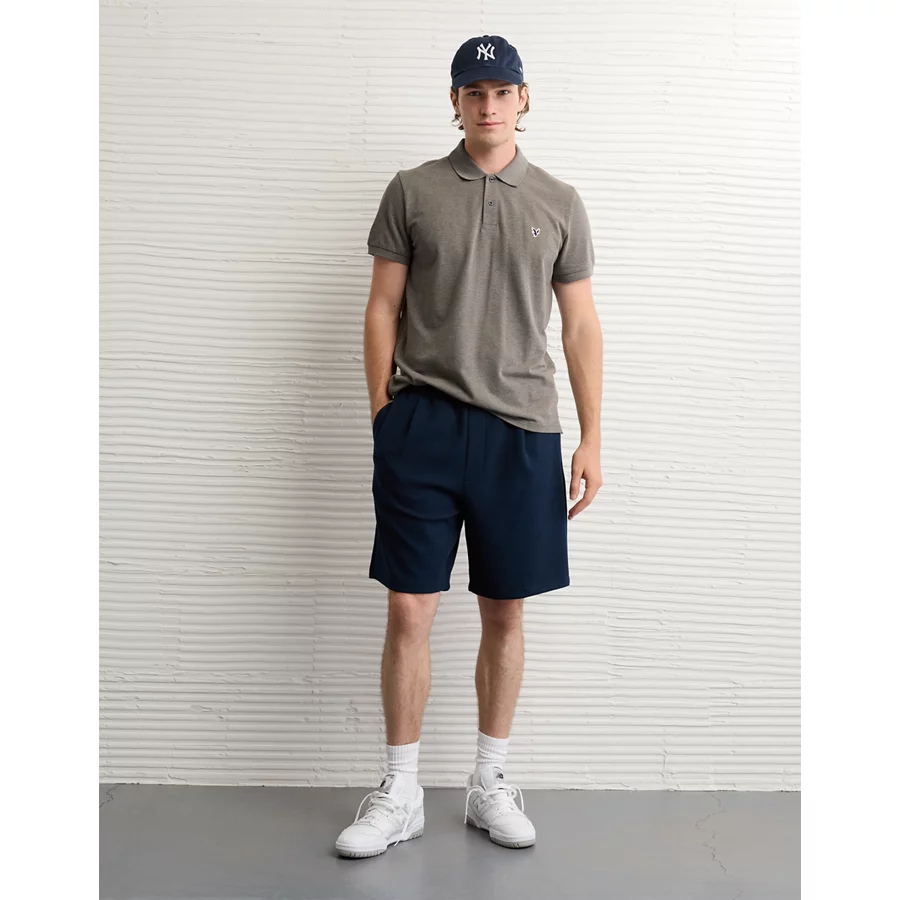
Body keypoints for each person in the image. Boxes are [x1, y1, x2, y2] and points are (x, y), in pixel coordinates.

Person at [335, 34, 604, 859]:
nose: (488, 105)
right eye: (473, 92)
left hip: (522, 432)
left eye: (501, 90)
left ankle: (490, 781)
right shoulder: (412, 191)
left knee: (505, 609)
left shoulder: (559, 200)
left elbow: (581, 324)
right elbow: (382, 307)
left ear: (524, 99)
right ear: (454, 102)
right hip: (422, 425)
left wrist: (592, 435)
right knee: (408, 607)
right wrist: (384, 416)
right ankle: (401, 791)